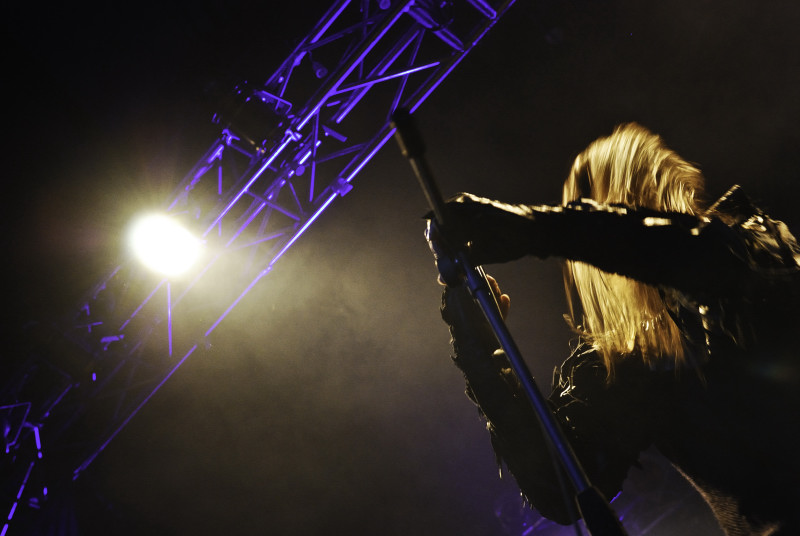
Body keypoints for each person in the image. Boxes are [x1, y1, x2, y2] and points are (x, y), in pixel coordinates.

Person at [433, 123, 800, 536]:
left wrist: (530, 228)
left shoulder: (754, 248)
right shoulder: (638, 360)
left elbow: (693, 254)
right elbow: (564, 487)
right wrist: (481, 345)